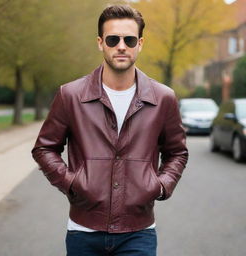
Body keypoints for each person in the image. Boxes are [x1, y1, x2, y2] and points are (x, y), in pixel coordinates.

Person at [32, 4, 188, 256]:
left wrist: (160, 185)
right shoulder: (70, 95)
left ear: (140, 43)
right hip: (83, 230)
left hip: (139, 232)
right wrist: (71, 182)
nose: (121, 46)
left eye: (129, 39)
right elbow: (44, 147)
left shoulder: (163, 98)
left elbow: (177, 153)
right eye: (113, 39)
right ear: (100, 43)